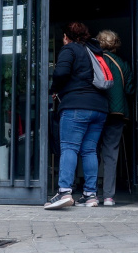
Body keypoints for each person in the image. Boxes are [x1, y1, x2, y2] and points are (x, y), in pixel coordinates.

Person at [44, 22, 108, 209]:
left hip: (76, 106)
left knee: (69, 148)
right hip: (99, 108)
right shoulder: (95, 51)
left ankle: (64, 192)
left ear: (66, 36)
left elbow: (61, 72)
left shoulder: (69, 49)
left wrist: (54, 88)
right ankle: (90, 195)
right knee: (89, 150)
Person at [95, 29, 134, 207]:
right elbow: (130, 90)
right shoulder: (123, 64)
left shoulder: (95, 61)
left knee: (91, 151)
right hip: (117, 113)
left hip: (98, 110)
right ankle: (109, 196)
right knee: (111, 154)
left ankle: (91, 193)